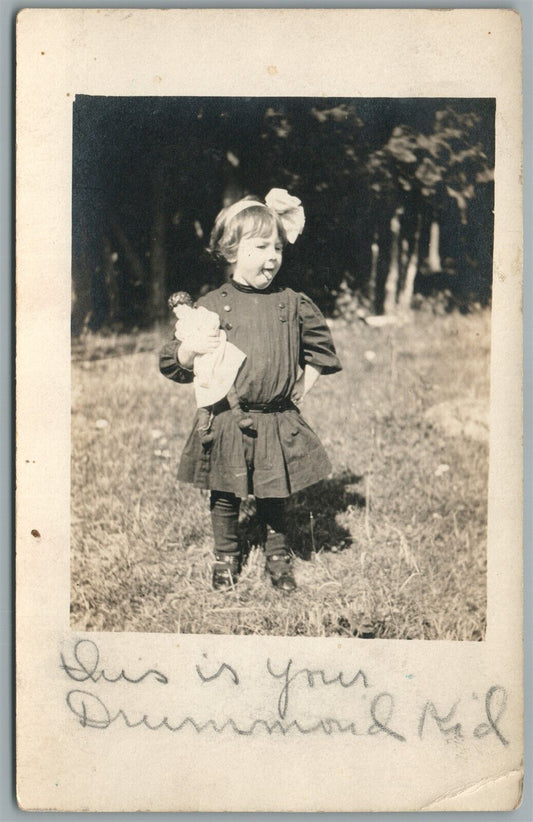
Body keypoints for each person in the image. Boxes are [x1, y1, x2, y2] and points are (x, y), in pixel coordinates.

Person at [159, 188, 342, 593]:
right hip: (226, 415)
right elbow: (173, 361)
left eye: (277, 247)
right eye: (261, 246)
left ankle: (278, 555)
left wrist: (299, 390)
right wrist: (191, 350)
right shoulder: (210, 305)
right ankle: (226, 554)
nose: (273, 256)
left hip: (276, 415)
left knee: (274, 492)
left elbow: (322, 353)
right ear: (230, 251)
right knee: (225, 492)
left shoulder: (292, 303)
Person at [167, 290, 254, 444]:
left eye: (179, 308)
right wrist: (194, 342)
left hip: (217, 354)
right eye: (175, 310)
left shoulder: (203, 314)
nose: (177, 312)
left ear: (187, 305)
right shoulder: (181, 325)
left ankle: (239, 415)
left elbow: (214, 323)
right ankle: (203, 429)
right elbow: (182, 339)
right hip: (202, 359)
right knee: (204, 390)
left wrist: (205, 333)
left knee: (227, 382)